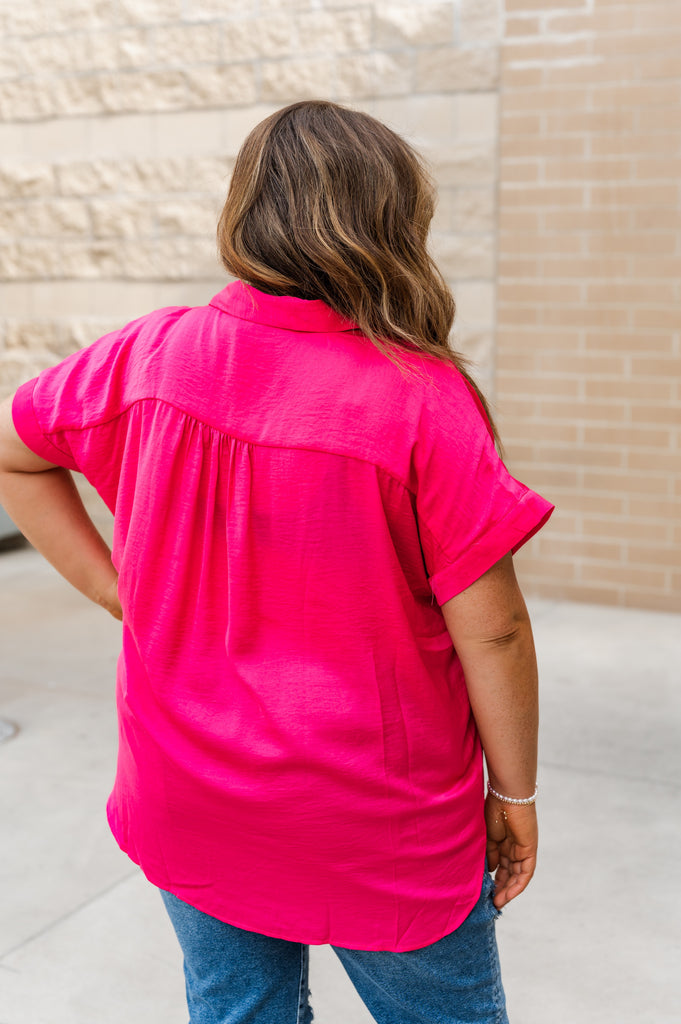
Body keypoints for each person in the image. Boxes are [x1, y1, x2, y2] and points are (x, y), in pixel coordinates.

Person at [0, 100, 553, 1024]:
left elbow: (18, 452)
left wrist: (117, 590)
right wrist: (516, 791)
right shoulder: (420, 398)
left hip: (190, 797)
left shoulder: (150, 354)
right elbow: (491, 628)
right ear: (389, 224)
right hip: (379, 827)